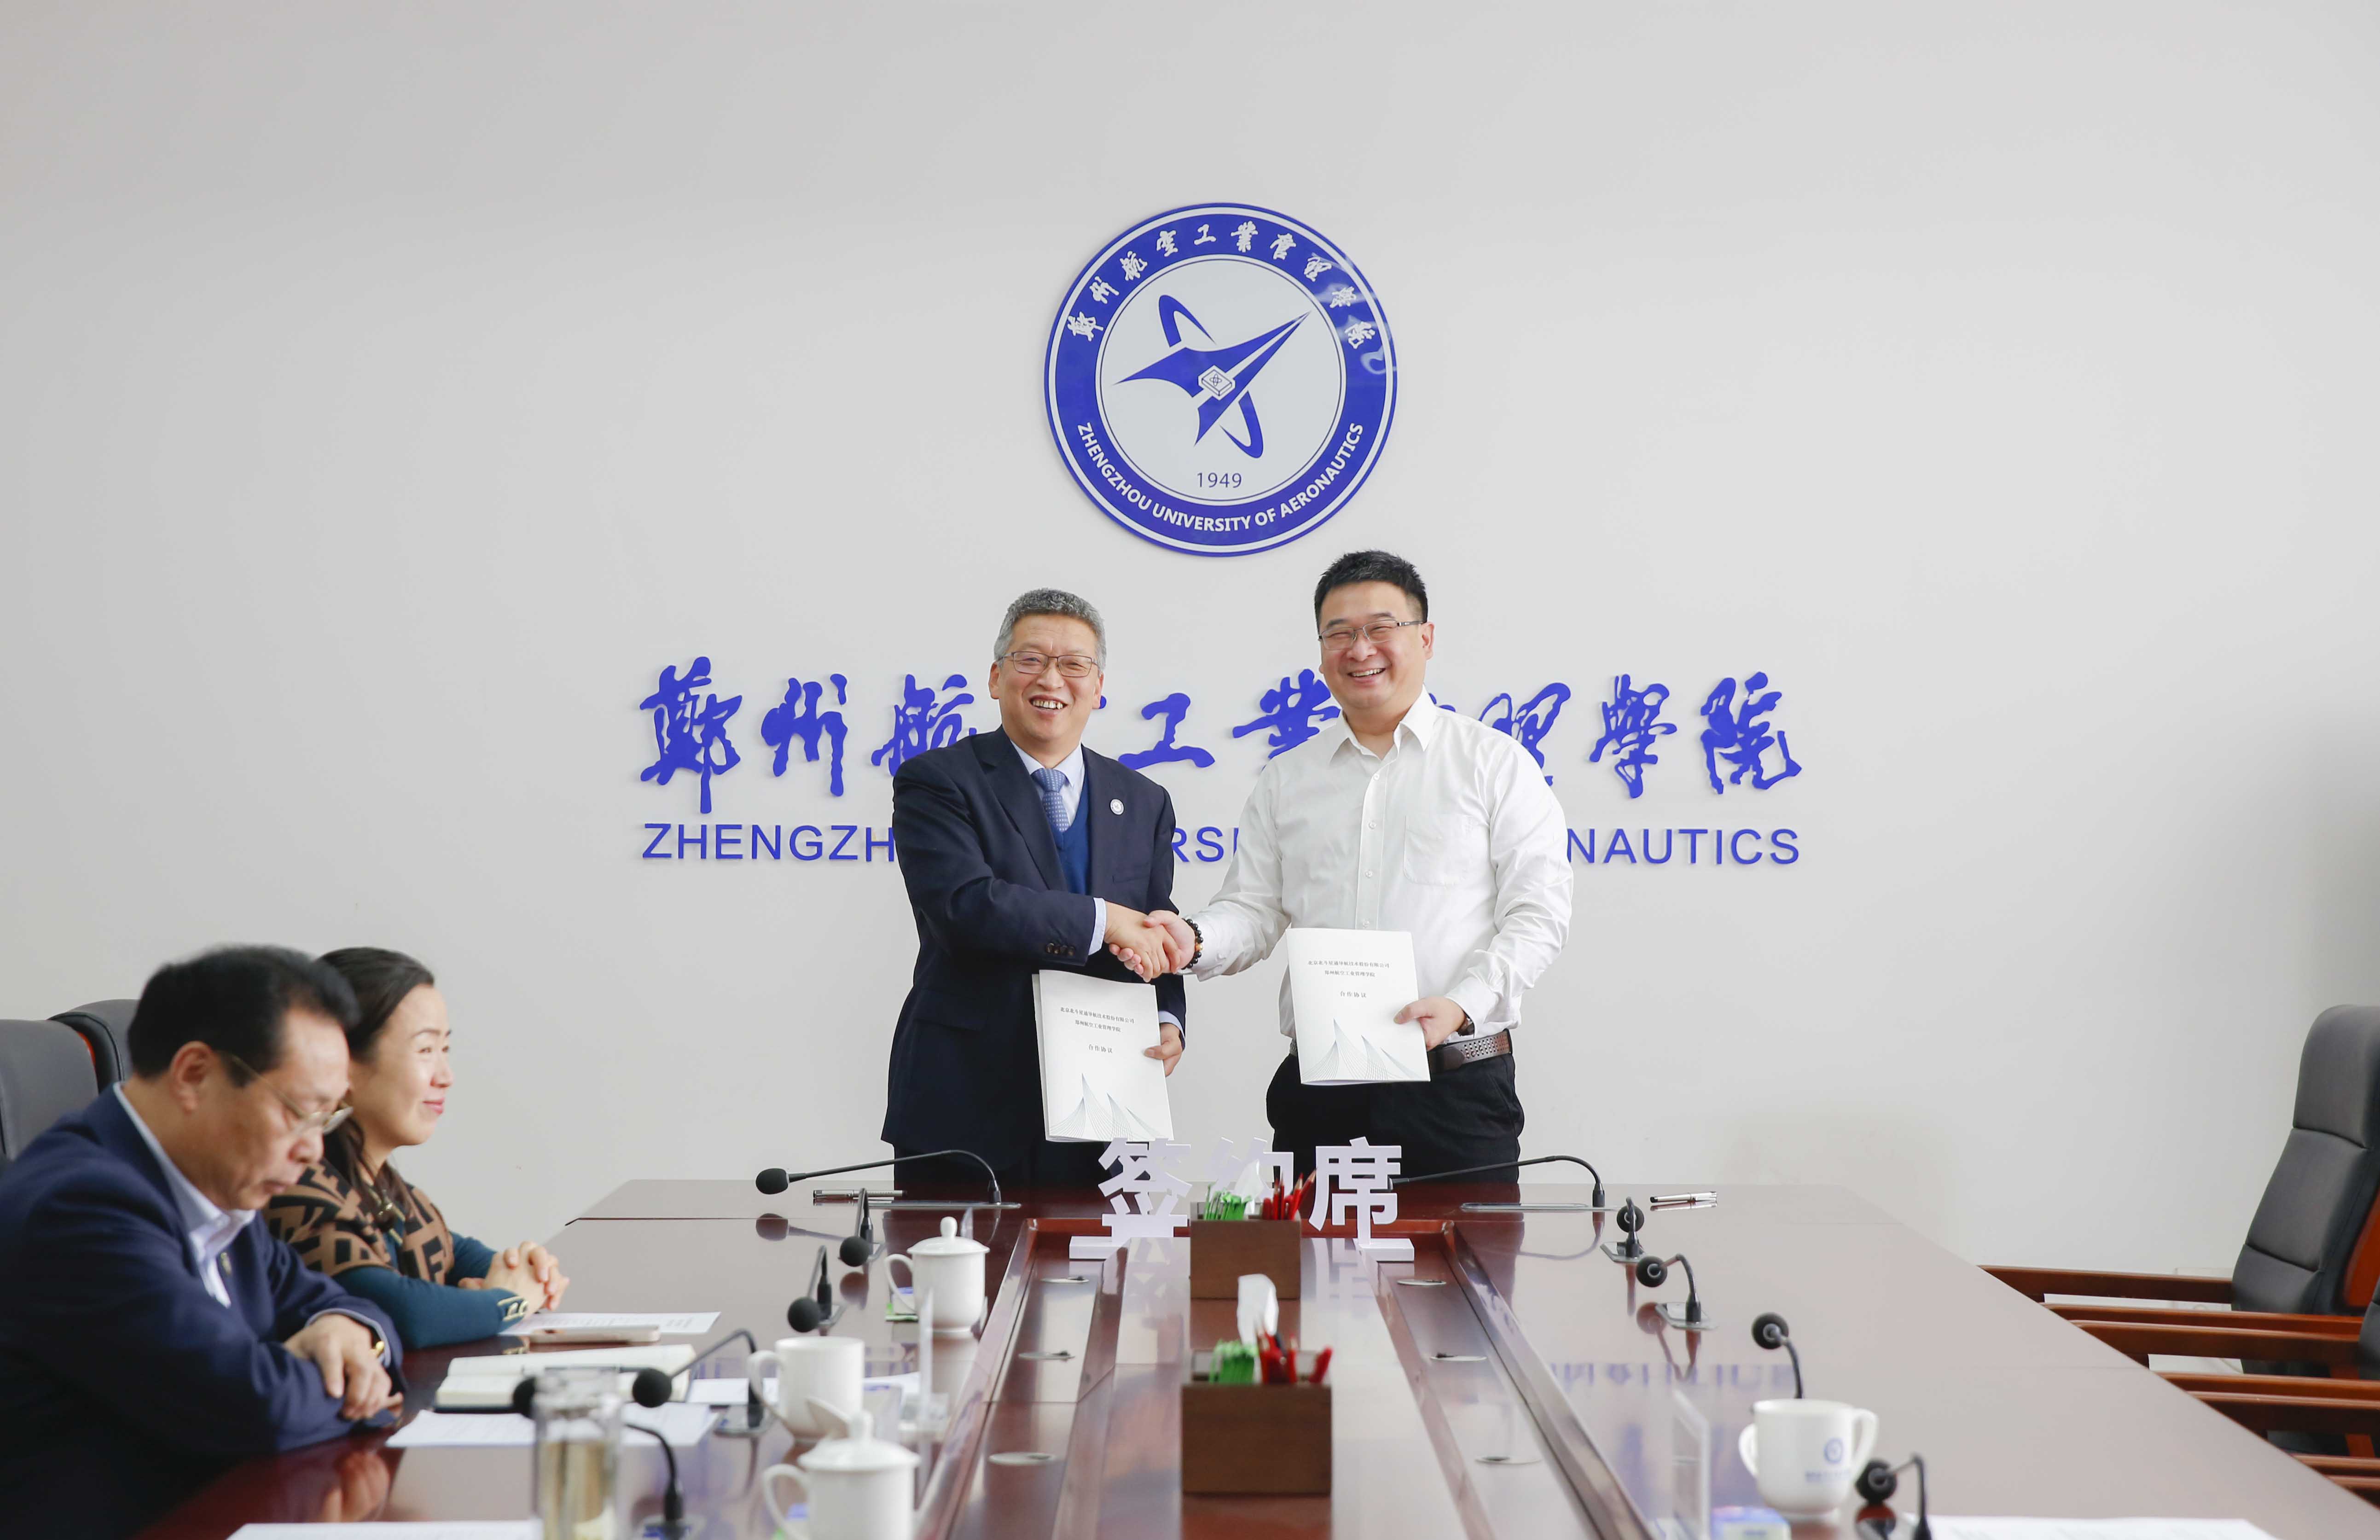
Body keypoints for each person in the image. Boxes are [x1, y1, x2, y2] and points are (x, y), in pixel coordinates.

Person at [1147, 551, 1572, 1181]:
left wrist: (1462, 1004)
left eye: (1380, 628)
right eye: (1339, 633)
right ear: (1321, 652)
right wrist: (1194, 938)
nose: (1359, 649)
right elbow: (1254, 909)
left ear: (1425, 639)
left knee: (1462, 1251)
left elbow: (1538, 915)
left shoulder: (1492, 763)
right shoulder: (1288, 778)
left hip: (1454, 1089)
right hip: (1322, 1094)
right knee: (1314, 1249)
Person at [0, 946, 406, 1540]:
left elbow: (349, 1308)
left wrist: (348, 1332)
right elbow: (253, 1407)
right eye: (300, 1113)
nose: (314, 1149)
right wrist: (350, 1383)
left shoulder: (216, 1193)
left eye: (326, 1119)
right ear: (194, 1074)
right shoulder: (82, 1208)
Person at [882, 587, 1187, 1191]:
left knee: (1110, 1253)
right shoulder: (937, 781)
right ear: (996, 678)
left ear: (1098, 687)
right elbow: (966, 907)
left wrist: (1167, 1015)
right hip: (966, 1098)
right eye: (1030, 660)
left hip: (1108, 1101)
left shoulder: (1144, 800)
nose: (1052, 679)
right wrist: (1104, 920)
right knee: (953, 1256)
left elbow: (1157, 922)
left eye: (1073, 664)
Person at [263, 947, 567, 1347]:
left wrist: (529, 1272)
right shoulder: (294, 1185)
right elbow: (406, 1315)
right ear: (342, 1065)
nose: (446, 1076)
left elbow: (465, 1258)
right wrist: (511, 1301)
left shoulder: (387, 1191)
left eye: (445, 1050)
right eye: (425, 1050)